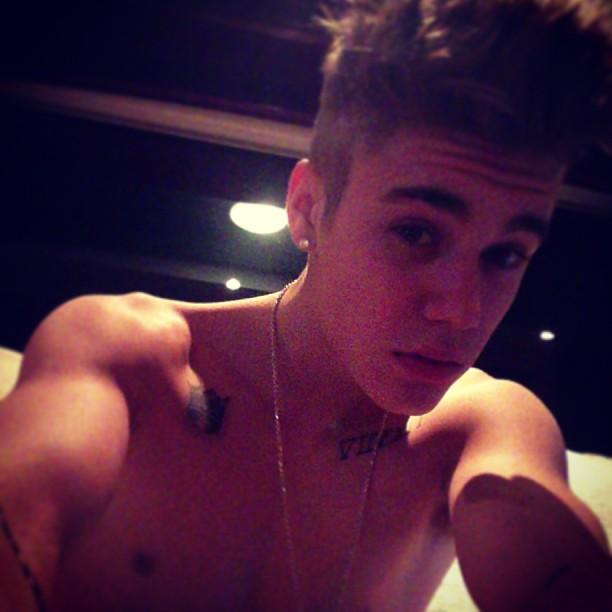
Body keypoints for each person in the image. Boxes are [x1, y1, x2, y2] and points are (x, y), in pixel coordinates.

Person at [1, 0, 612, 610]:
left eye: (506, 254)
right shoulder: (128, 357)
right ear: (307, 208)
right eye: (415, 232)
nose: (463, 311)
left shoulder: (482, 425)